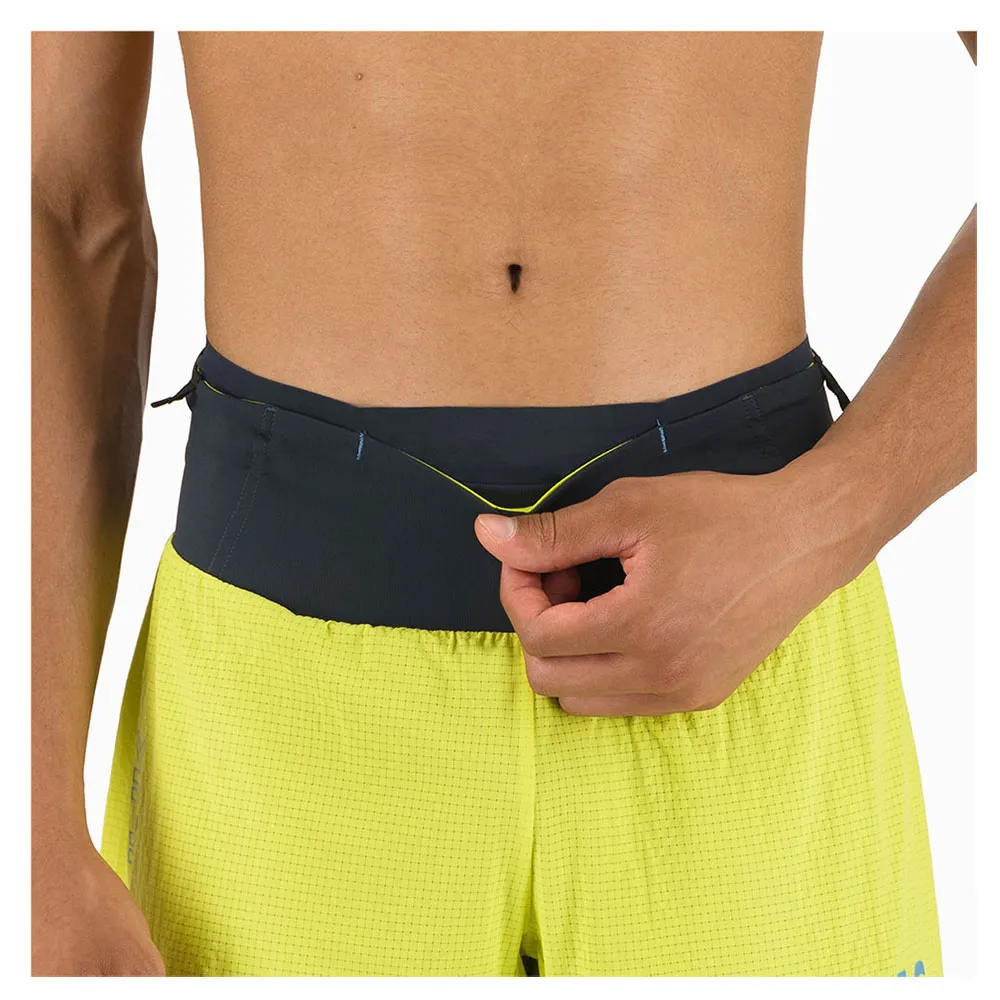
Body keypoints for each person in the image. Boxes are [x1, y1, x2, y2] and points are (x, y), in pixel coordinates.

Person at [31, 30, 976, 977]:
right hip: (275, 723)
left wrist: (826, 516)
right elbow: (58, 205)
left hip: (746, 663)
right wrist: (31, 838)